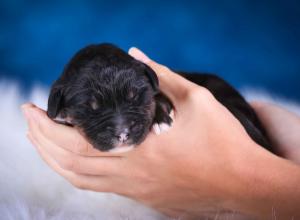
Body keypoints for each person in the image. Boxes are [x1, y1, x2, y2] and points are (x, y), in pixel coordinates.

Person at [21, 47, 300, 219]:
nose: (121, 129)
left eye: (136, 99)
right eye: (92, 109)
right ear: (60, 106)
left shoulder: (169, 89)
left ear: (151, 83)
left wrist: (245, 185)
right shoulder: (64, 103)